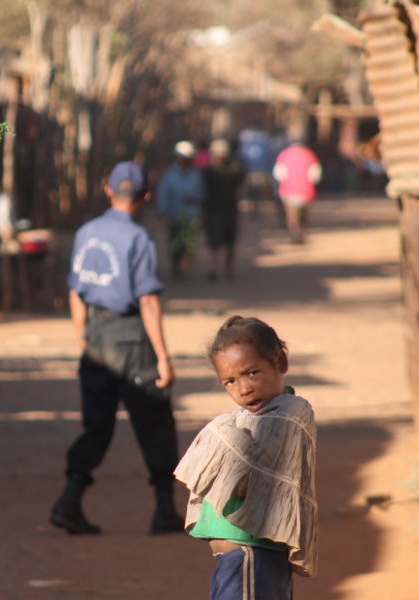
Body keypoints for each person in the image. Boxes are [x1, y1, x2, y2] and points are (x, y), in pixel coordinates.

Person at [49, 161, 184, 536]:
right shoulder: (139, 238)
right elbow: (148, 302)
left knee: (96, 425)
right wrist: (162, 358)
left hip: (96, 334)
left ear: (108, 189)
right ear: (145, 196)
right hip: (129, 336)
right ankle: (163, 510)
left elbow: (75, 292)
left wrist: (84, 337)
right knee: (154, 419)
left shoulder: (87, 231)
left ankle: (69, 500)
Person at [175, 316, 318, 599]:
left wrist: (219, 432)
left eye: (252, 373)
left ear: (281, 362)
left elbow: (247, 479)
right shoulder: (254, 416)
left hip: (252, 556)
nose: (244, 388)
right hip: (241, 560)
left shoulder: (287, 415)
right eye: (230, 381)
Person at [156, 140, 205, 278]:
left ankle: (186, 265)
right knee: (174, 243)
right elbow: (163, 194)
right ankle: (175, 266)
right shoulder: (169, 175)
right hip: (174, 214)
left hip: (191, 215)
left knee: (189, 243)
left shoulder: (196, 175)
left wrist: (195, 199)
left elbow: (202, 193)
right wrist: (162, 211)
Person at [201, 139, 244, 282]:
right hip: (218, 211)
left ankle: (219, 269)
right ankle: (218, 269)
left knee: (222, 243)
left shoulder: (214, 171)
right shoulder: (210, 172)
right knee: (220, 244)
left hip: (222, 211)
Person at [273, 140, 322, 244]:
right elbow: (315, 176)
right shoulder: (310, 156)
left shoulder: (284, 155)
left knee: (292, 216)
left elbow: (279, 174)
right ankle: (301, 234)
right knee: (303, 215)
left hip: (288, 191)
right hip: (306, 191)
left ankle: (294, 234)